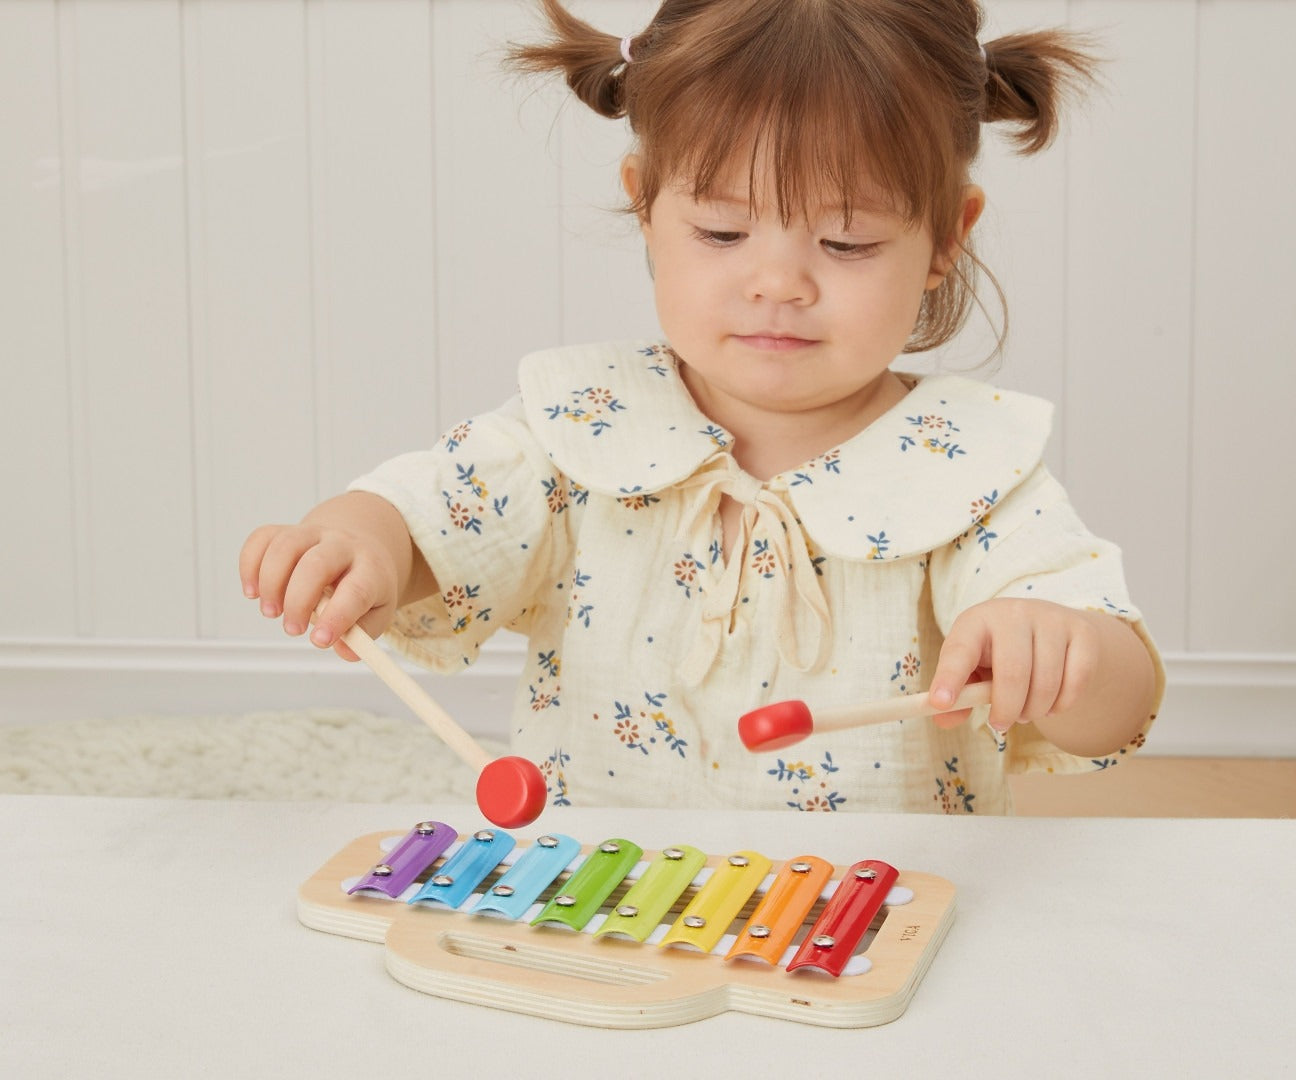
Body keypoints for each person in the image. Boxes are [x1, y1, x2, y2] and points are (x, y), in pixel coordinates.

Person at [240, 0, 1162, 814]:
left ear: (942, 240)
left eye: (848, 241)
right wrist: (358, 538)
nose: (777, 283)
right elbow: (431, 517)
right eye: (722, 231)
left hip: (874, 921)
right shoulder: (585, 428)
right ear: (645, 208)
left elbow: (1118, 709)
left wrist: (1064, 651)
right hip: (610, 906)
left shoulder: (966, 469)